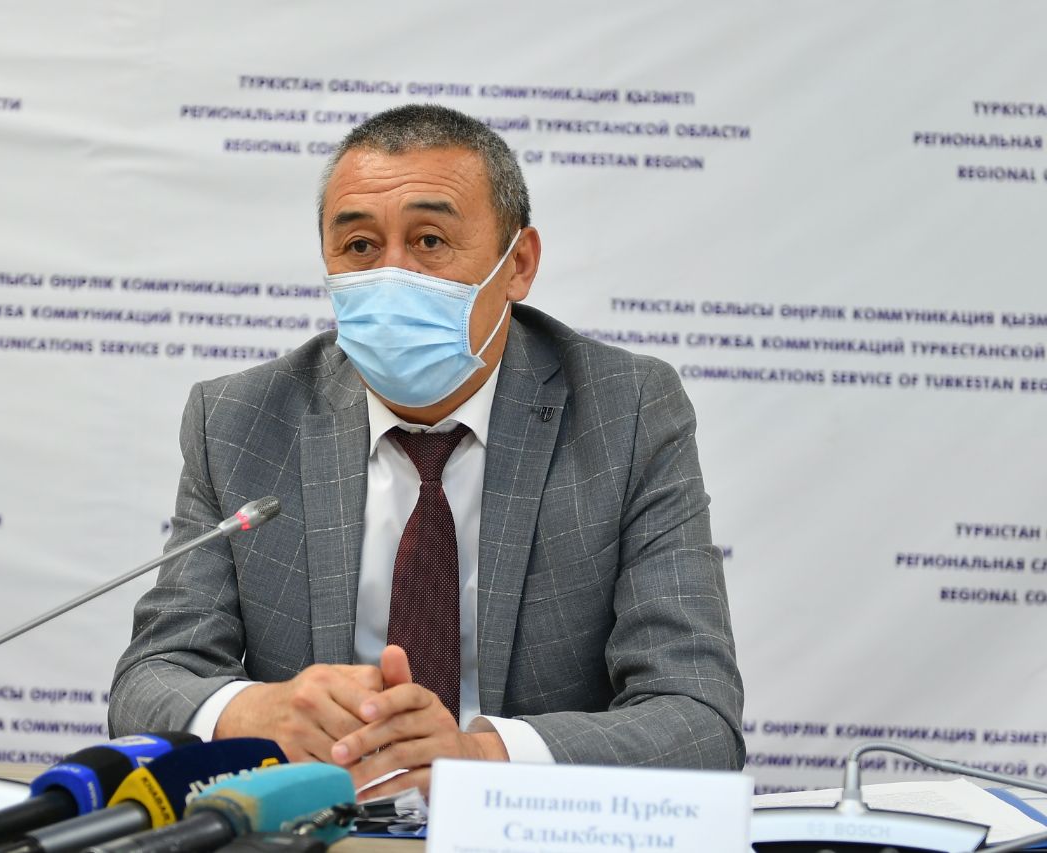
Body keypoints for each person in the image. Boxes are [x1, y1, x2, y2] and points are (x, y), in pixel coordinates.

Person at [109, 104, 744, 798]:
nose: (392, 276)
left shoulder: (623, 413)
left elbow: (697, 720)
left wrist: (482, 758)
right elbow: (148, 681)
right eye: (359, 247)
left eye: (430, 240)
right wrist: (252, 711)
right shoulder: (241, 421)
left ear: (518, 264)